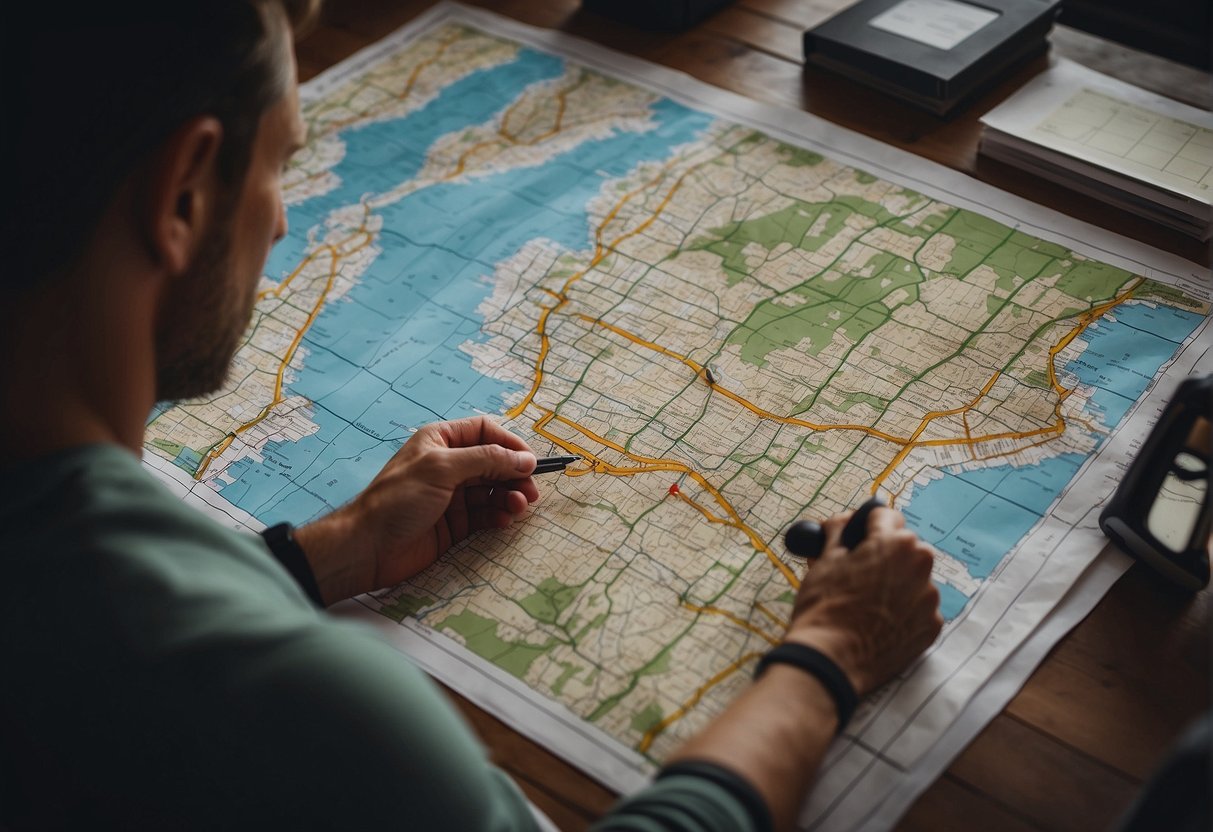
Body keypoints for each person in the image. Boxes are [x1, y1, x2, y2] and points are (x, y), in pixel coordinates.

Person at [0, 2, 943, 830]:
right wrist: (830, 653)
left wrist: (331, 550)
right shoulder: (297, 709)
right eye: (282, 164)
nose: (283, 221)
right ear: (184, 193)